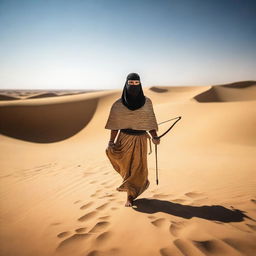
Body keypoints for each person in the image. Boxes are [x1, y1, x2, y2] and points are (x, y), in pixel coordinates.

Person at [105, 72, 160, 207]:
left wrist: (154, 137)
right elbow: (115, 125)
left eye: (136, 83)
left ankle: (130, 196)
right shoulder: (118, 104)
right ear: (126, 83)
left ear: (140, 84)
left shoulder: (147, 102)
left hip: (141, 140)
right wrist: (111, 142)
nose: (134, 86)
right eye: (131, 83)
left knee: (137, 169)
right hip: (124, 140)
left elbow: (150, 122)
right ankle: (130, 193)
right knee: (127, 169)